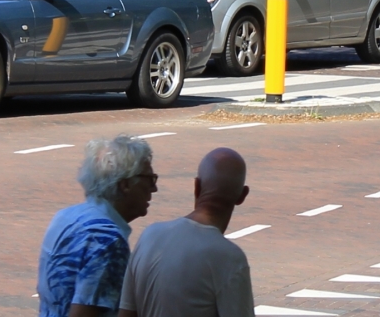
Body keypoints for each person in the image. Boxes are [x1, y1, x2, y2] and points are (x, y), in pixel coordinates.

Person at [118, 148, 254, 317]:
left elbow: (125, 312)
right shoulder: (230, 258)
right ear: (242, 196)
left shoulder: (149, 236)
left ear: (197, 187)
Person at [38, 135, 159, 317]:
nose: (154, 189)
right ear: (126, 184)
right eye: (150, 179)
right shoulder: (107, 240)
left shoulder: (65, 217)